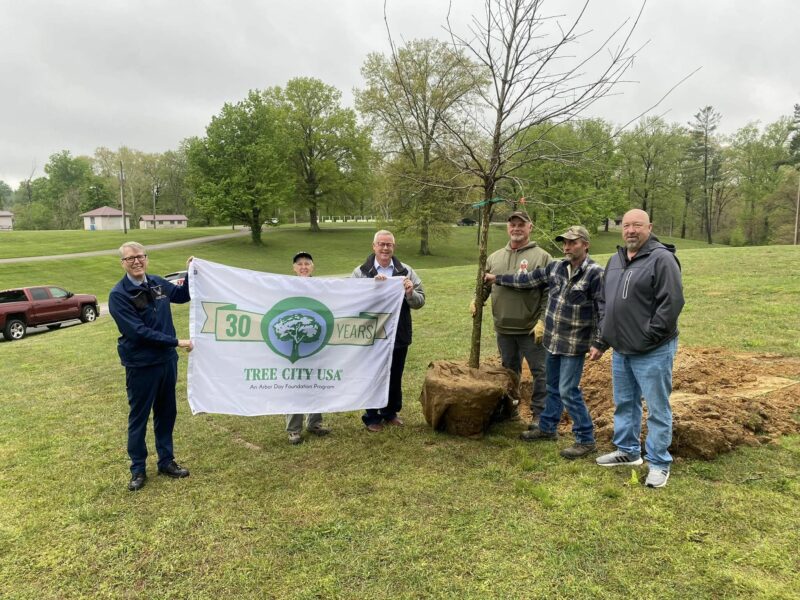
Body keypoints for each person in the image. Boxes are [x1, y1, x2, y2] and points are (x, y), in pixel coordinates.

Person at [485, 225, 604, 459]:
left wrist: (599, 342)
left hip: (574, 344)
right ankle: (548, 428)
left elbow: (603, 309)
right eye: (565, 243)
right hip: (553, 341)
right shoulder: (556, 267)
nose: (567, 247)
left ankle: (586, 439)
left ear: (586, 245)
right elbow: (526, 279)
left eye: (573, 242)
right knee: (552, 387)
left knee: (569, 390)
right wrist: (496, 278)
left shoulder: (595, 273)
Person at [591, 209, 685, 488]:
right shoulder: (616, 260)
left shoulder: (662, 259)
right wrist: (603, 338)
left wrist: (648, 336)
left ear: (649, 227)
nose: (631, 230)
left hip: (652, 350)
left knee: (657, 408)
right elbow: (605, 303)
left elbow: (672, 304)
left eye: (637, 226)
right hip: (621, 349)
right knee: (625, 403)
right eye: (627, 225)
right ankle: (628, 452)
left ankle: (658, 462)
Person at [109, 242, 194, 492]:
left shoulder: (157, 283)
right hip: (142, 364)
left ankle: (166, 462)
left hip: (166, 361)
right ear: (122, 263)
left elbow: (182, 295)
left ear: (146, 258)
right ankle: (137, 469)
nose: (136, 262)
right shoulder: (119, 295)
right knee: (139, 418)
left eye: (140, 257)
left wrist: (191, 273)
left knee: (167, 413)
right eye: (130, 259)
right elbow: (138, 332)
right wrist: (177, 341)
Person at [474, 211, 552, 421]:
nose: (516, 228)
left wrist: (542, 320)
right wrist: (477, 300)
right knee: (509, 372)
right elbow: (484, 286)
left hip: (530, 329)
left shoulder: (542, 257)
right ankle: (511, 410)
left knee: (540, 372)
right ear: (508, 228)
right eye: (513, 224)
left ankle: (540, 415)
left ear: (530, 227)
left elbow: (549, 293)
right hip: (504, 328)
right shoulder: (494, 257)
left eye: (521, 224)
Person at [351, 230, 425, 432]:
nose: (385, 248)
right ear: (373, 246)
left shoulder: (406, 271)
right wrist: (372, 289)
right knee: (372, 373)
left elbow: (421, 300)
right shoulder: (361, 272)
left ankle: (390, 412)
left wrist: (410, 293)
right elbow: (351, 301)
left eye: (389, 244)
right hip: (372, 333)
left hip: (398, 332)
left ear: (394, 247)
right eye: (381, 244)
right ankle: (372, 416)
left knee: (395, 373)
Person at [285, 251, 332, 445]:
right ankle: (294, 429)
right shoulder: (285, 287)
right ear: (294, 268)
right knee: (295, 385)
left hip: (316, 342)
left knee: (316, 382)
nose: (303, 267)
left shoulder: (321, 287)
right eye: (300, 264)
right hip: (293, 344)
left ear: (313, 267)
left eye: (307, 263)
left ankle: (315, 423)